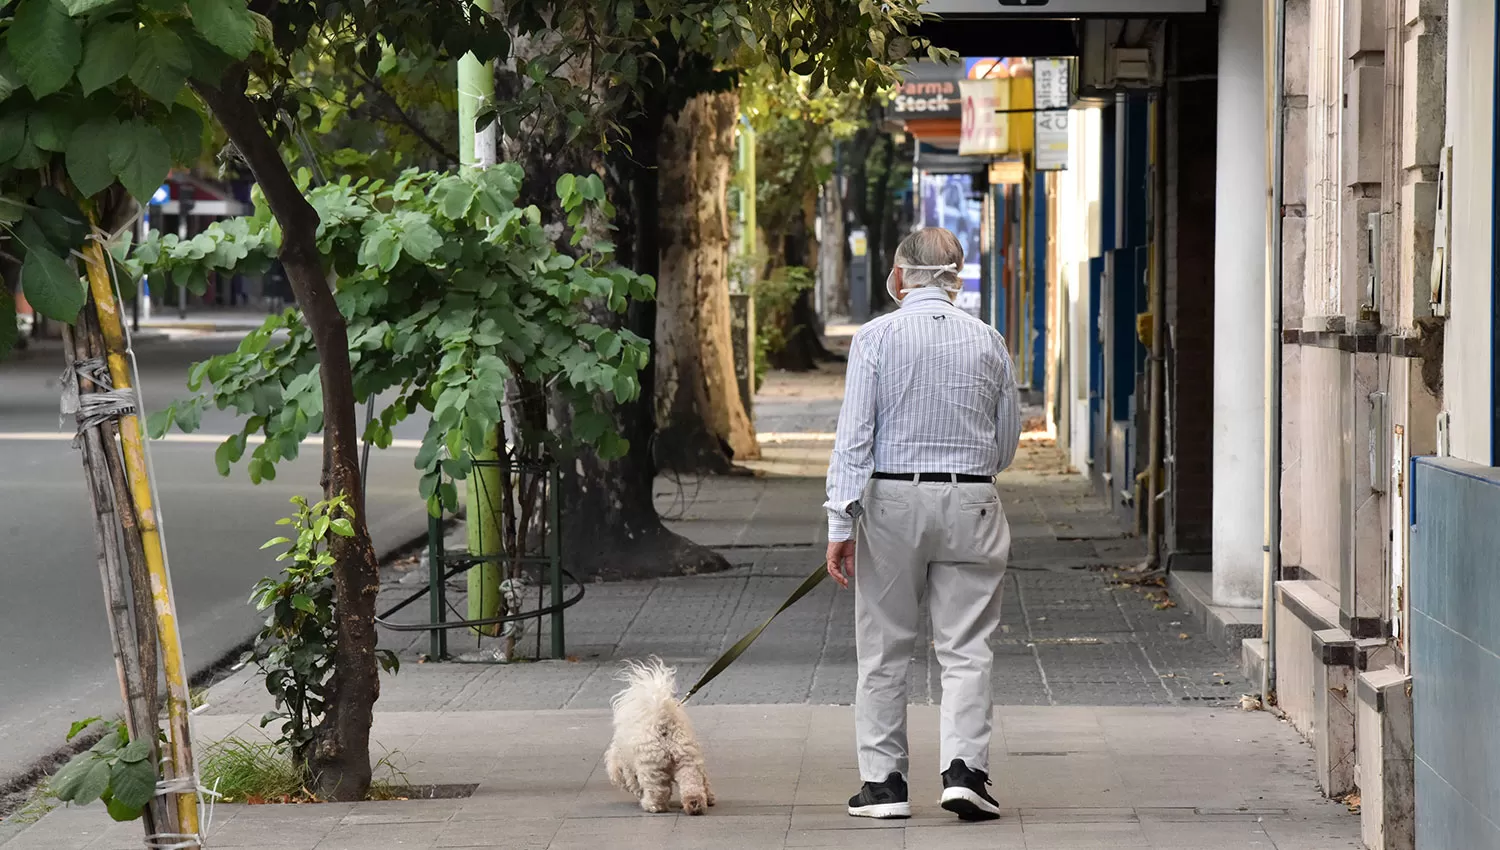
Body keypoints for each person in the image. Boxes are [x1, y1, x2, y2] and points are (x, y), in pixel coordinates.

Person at [824, 226, 1022, 822]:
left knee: (884, 646)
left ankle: (884, 785)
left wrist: (840, 519)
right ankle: (966, 774)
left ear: (900, 274)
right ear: (956, 275)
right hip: (972, 500)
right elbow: (1007, 442)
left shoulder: (876, 337)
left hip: (892, 501)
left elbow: (854, 437)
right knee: (967, 646)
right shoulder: (990, 341)